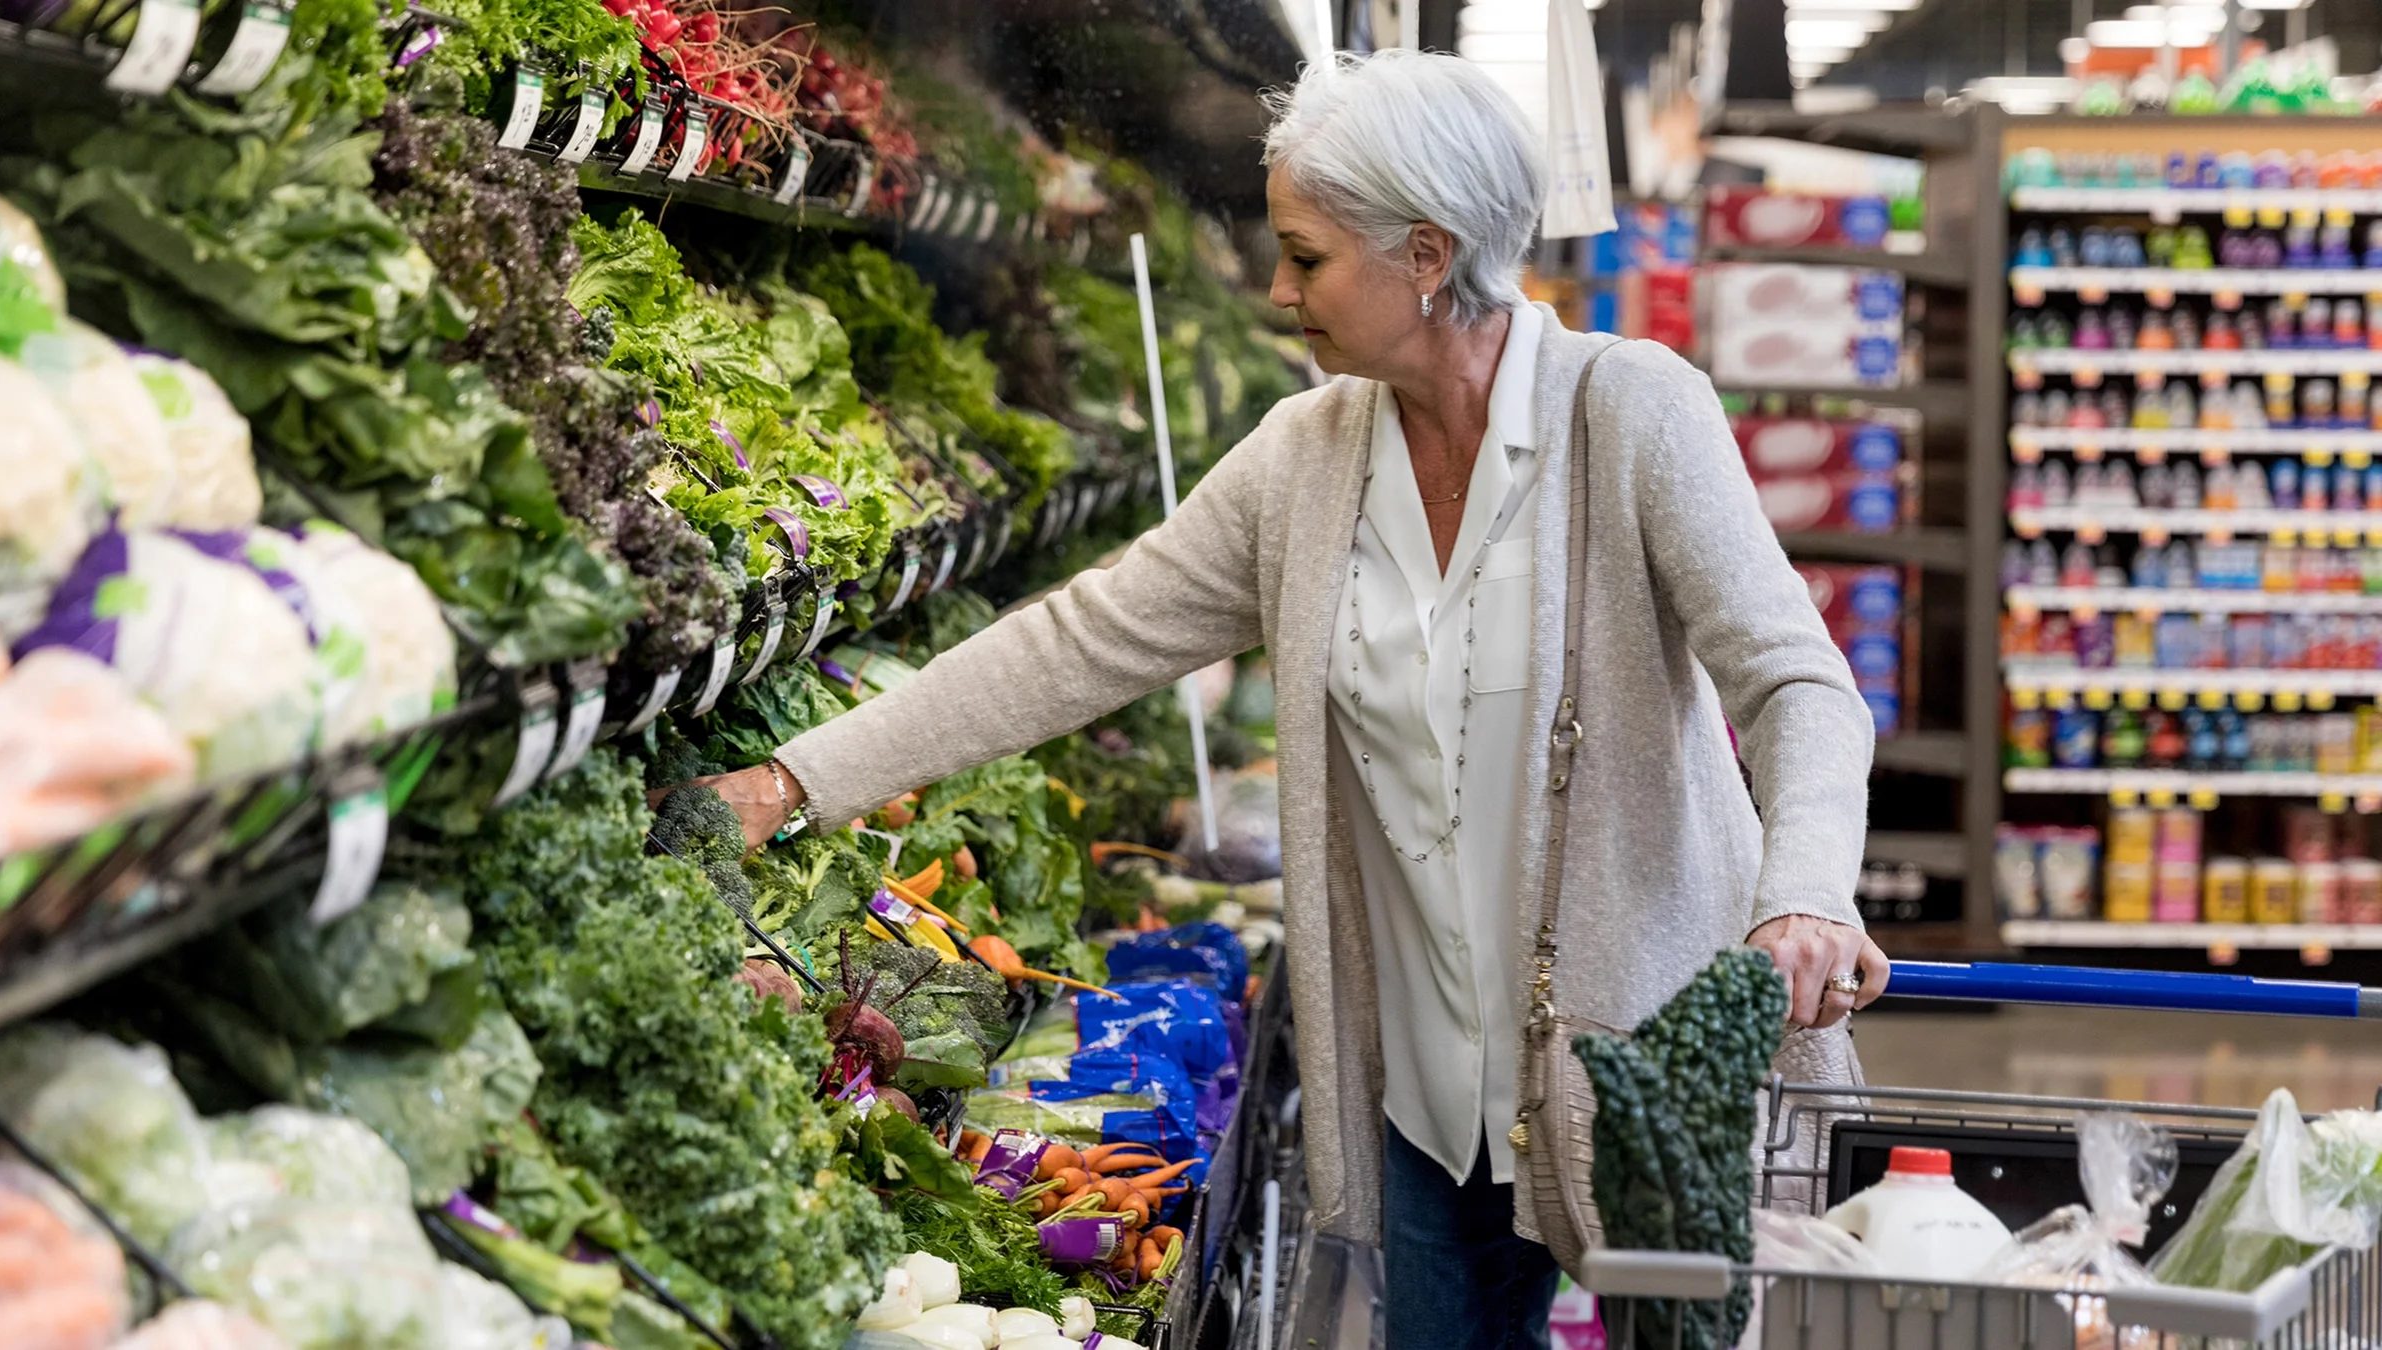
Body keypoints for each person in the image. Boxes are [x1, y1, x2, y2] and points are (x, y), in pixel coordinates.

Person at [686, 48, 1890, 1350]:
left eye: (1306, 257)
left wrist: (1807, 892)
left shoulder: (1633, 415)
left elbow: (1797, 686)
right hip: (1431, 1102)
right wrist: (792, 779)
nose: (1277, 289)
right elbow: (1074, 644)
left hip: (1653, 1081)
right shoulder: (1303, 462)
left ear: (1426, 254)